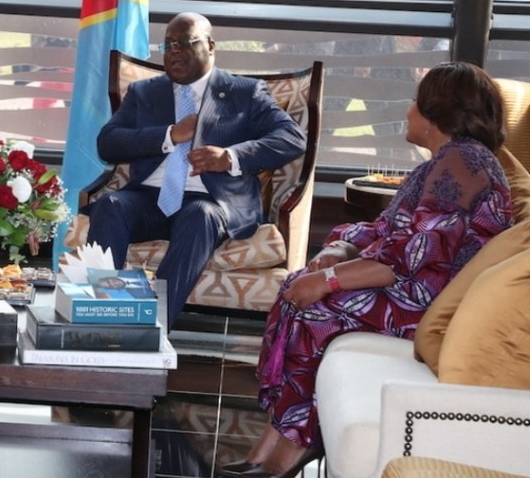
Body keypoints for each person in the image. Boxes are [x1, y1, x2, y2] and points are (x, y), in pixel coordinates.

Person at [218, 62, 513, 478]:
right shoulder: (448, 161)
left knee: (318, 310)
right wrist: (339, 249)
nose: (408, 111)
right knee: (297, 289)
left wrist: (328, 280)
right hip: (418, 290)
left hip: (433, 305)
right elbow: (385, 229)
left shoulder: (463, 161)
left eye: (415, 102)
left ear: (436, 113)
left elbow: (412, 257)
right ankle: (269, 446)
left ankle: (289, 452)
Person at [85, 12, 307, 330]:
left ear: (211, 46)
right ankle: (101, 319)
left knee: (198, 215)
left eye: (186, 42)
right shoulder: (144, 92)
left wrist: (230, 157)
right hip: (149, 199)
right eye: (169, 45)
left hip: (211, 203)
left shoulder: (244, 92)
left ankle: (149, 329)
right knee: (110, 204)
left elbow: (292, 138)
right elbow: (107, 143)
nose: (175, 51)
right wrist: (169, 135)